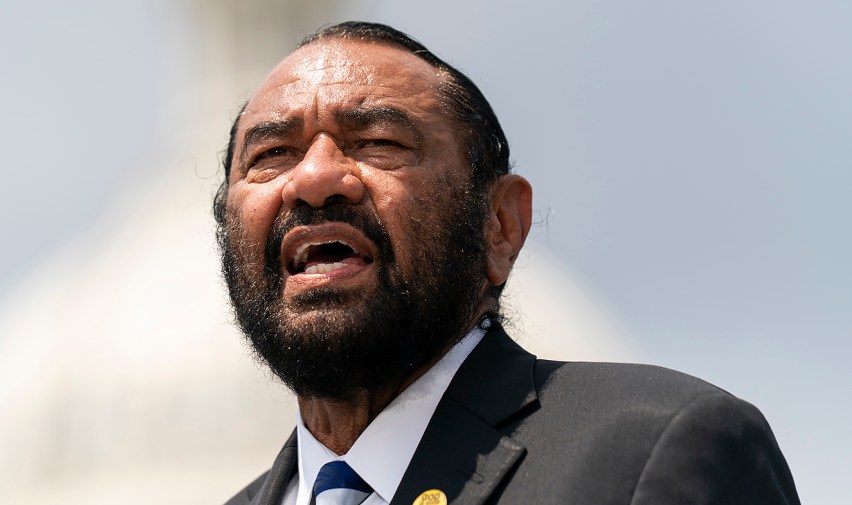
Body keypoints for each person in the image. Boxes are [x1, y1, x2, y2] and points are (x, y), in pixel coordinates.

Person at [216, 21, 799, 505]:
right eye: (271, 155)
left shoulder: (653, 451)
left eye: (379, 143)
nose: (314, 178)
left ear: (499, 225)